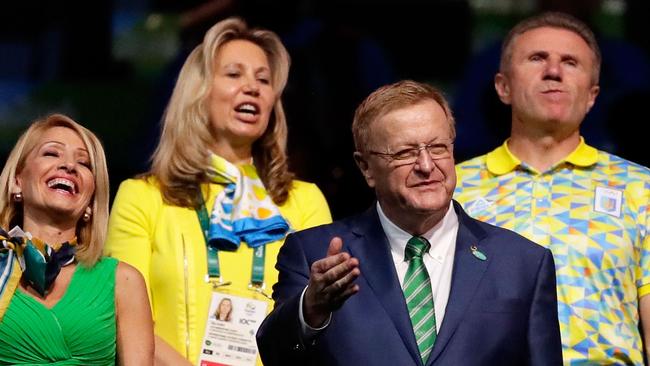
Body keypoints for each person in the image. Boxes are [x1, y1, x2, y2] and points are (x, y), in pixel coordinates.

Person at [256, 80, 562, 365]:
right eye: (404, 153)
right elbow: (275, 355)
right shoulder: (314, 254)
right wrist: (312, 308)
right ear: (366, 168)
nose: (427, 166)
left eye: (438, 148)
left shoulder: (523, 264)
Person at [104, 17, 332, 365]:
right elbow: (125, 319)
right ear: (199, 90)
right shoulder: (143, 197)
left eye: (264, 79)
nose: (252, 87)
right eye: (234, 74)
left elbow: (318, 321)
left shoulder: (305, 201)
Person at [454, 11, 650, 364]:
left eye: (570, 62)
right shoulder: (453, 189)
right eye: (537, 58)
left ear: (592, 96)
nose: (554, 72)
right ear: (503, 87)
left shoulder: (641, 187)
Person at [0, 114, 153, 365]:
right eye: (52, 153)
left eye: (84, 163)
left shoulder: (123, 281)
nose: (69, 166)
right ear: (18, 181)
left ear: (91, 200)